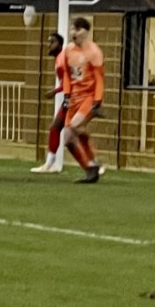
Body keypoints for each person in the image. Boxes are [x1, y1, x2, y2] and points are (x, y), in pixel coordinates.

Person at [61, 17, 103, 184]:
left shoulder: (94, 52)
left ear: (85, 32)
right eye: (72, 29)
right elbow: (66, 74)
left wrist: (97, 100)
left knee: (76, 126)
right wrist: (66, 95)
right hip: (74, 99)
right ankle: (90, 169)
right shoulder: (68, 50)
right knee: (68, 138)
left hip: (88, 97)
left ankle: (93, 158)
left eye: (77, 30)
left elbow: (99, 78)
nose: (73, 33)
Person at [30, 33, 69, 174]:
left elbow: (68, 83)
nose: (49, 45)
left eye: (51, 42)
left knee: (64, 130)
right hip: (71, 97)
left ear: (59, 44)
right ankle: (50, 163)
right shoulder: (61, 58)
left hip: (73, 98)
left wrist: (54, 91)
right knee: (57, 128)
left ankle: (93, 163)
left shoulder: (62, 60)